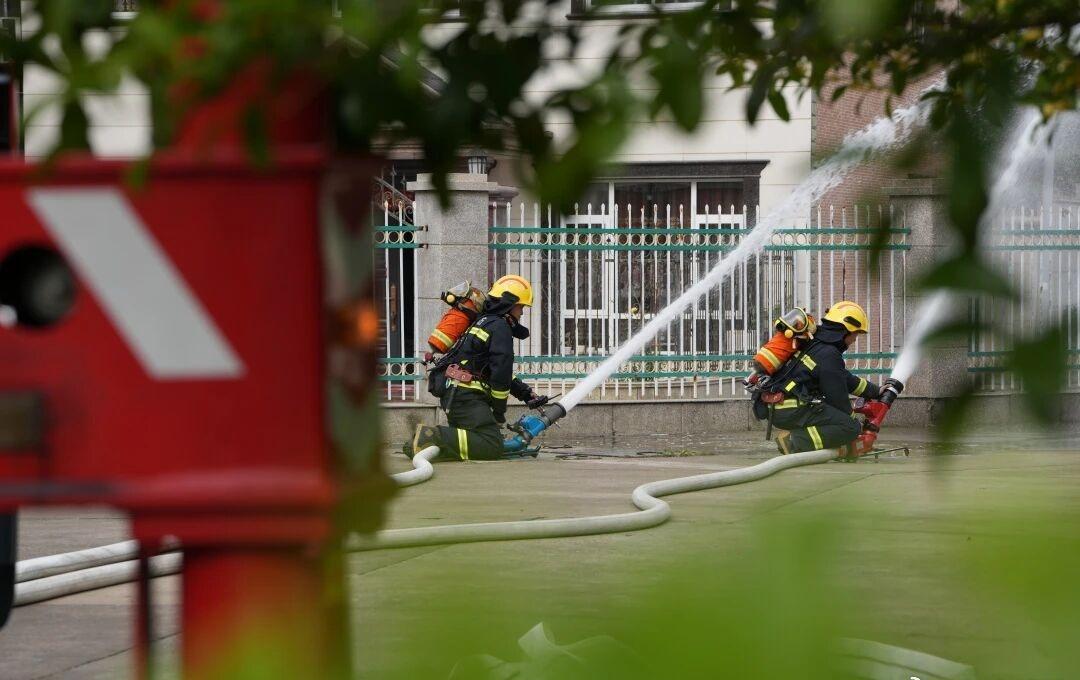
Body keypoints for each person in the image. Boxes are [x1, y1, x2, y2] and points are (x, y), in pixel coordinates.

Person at [409, 275, 548, 460]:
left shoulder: (484, 322)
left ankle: (424, 446)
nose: (521, 313)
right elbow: (500, 372)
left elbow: (489, 368)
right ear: (510, 303)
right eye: (521, 307)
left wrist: (524, 392)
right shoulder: (500, 327)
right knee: (491, 444)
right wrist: (499, 412)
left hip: (457, 395)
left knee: (473, 443)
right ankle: (433, 437)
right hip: (467, 397)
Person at [751, 300, 902, 454]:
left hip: (779, 405)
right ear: (846, 330)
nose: (855, 339)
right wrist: (852, 426)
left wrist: (875, 391)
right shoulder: (829, 353)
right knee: (849, 427)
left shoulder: (816, 342)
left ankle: (800, 440)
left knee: (841, 422)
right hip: (788, 407)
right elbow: (837, 397)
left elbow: (843, 378)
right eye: (856, 333)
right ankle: (794, 441)